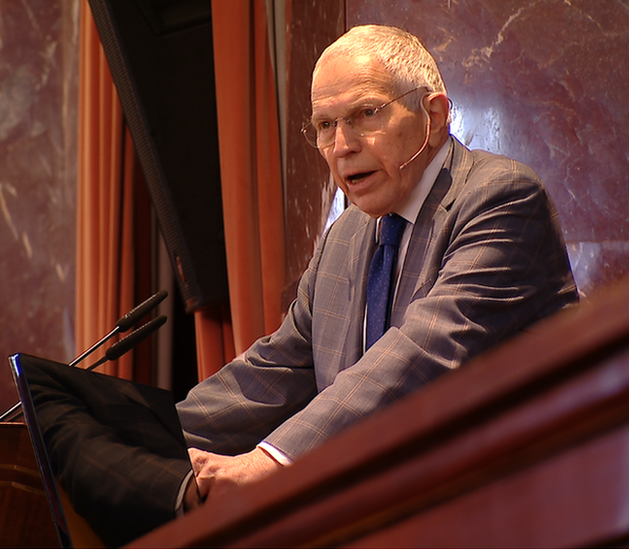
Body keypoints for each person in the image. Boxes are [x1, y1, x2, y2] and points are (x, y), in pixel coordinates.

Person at [31, 24, 577, 546]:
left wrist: (269, 461)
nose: (342, 146)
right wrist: (148, 442)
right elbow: (277, 370)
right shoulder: (346, 234)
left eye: (366, 115)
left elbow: (421, 354)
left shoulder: (501, 198)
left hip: (511, 517)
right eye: (324, 126)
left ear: (432, 116)